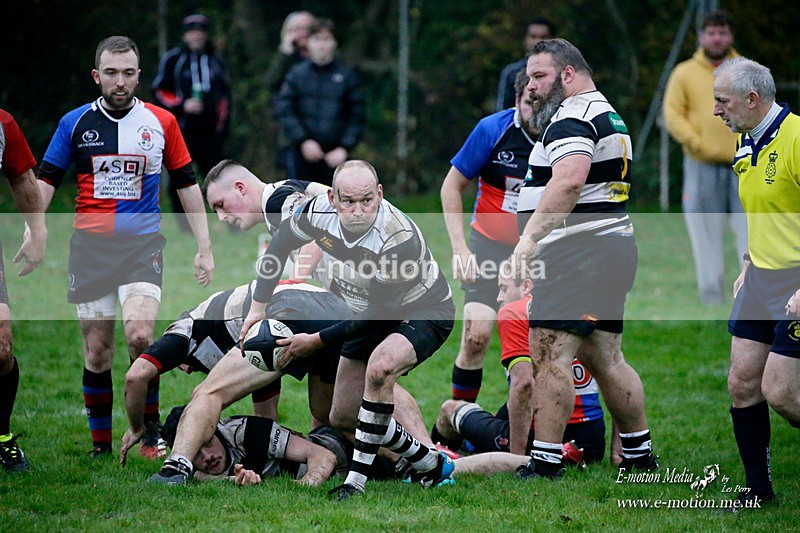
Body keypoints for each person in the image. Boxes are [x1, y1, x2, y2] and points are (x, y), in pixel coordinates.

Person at [36, 35, 215, 457]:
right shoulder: (74, 123)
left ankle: (148, 432)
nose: (120, 82)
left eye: (128, 73)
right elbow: (45, 179)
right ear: (97, 76)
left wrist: (204, 245)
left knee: (139, 336)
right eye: (112, 73)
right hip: (90, 251)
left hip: (141, 248)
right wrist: (33, 232)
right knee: (97, 352)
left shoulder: (161, 122)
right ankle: (101, 447)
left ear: (139, 75)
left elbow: (188, 184)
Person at [239, 160, 456, 500]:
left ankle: (355, 482)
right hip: (367, 310)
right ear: (332, 198)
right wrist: (257, 306)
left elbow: (378, 316)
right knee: (340, 415)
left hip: (423, 310)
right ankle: (428, 460)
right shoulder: (317, 212)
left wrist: (314, 340)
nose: (358, 211)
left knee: (381, 367)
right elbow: (280, 244)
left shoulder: (398, 237)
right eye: (349, 201)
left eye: (367, 200)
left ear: (380, 194)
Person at [513, 38, 657, 479]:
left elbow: (570, 181)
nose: (532, 87)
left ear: (568, 73)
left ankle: (545, 463)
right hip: (609, 248)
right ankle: (638, 455)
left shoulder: (574, 116)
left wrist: (528, 240)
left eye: (540, 76)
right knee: (605, 356)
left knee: (550, 353)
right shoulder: (604, 111)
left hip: (579, 254)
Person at [713, 57, 800, 510]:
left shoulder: (797, 139)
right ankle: (758, 491)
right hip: (761, 280)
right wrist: (749, 260)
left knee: (783, 393)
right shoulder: (745, 144)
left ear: (752, 99)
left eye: (722, 101)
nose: (715, 111)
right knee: (742, 382)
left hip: (796, 281)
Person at [432, 265, 606, 464]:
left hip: (539, 442)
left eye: (503, 288)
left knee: (449, 409)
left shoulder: (515, 312)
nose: (498, 297)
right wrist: (621, 447)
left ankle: (428, 463)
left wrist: (515, 457)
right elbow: (614, 377)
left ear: (527, 287)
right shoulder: (585, 307)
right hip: (590, 444)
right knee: (501, 413)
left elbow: (523, 385)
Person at [442, 71, 536, 404]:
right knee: (476, 337)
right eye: (529, 102)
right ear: (516, 101)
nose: (535, 110)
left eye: (543, 103)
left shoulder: (563, 137)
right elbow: (451, 186)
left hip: (538, 253)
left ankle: (527, 427)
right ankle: (459, 420)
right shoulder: (492, 130)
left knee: (536, 345)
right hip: (488, 246)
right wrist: (459, 249)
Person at [158, 405, 533, 486]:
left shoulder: (242, 431)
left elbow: (319, 453)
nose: (207, 457)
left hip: (345, 447)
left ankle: (535, 462)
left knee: (441, 470)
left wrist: (309, 484)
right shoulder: (189, 473)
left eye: (205, 444)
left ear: (214, 428)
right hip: (350, 464)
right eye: (194, 455)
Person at [120, 282, 282, 462]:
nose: (188, 371)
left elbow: (135, 377)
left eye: (178, 366)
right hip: (281, 300)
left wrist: (136, 428)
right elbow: (267, 419)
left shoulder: (185, 331)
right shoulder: (246, 347)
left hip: (273, 303)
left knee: (206, 396)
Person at [662, 10, 747, 305]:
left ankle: (750, 295)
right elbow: (673, 114)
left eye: (722, 32)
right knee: (705, 234)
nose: (717, 37)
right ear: (701, 37)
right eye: (711, 32)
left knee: (750, 232)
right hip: (701, 165)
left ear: (730, 36)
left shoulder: (746, 71)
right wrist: (696, 142)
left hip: (745, 165)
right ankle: (712, 298)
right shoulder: (684, 72)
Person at [152, 14, 232, 231]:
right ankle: (185, 225)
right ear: (185, 34)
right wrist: (181, 105)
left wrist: (222, 126)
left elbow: (225, 97)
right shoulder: (173, 60)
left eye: (201, 31)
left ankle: (227, 219)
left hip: (211, 133)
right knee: (181, 177)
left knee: (218, 177)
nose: (197, 35)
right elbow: (159, 91)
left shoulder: (216, 61)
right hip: (182, 130)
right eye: (192, 31)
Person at [0, 109, 47, 471]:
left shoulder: (3, 123)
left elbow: (22, 179)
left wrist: (38, 232)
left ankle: (0, 436)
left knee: (1, 350)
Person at [273, 19, 365, 185]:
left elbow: (357, 115)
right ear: (308, 43)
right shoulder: (296, 74)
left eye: (326, 39)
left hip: (335, 156)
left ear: (334, 43)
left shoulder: (347, 77)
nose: (321, 45)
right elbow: (285, 109)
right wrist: (303, 141)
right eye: (317, 39)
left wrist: (344, 148)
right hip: (302, 153)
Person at [265, 11, 317, 174]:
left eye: (307, 28)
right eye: (297, 29)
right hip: (291, 135)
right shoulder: (287, 60)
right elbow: (270, 82)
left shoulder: (324, 59)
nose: (303, 33)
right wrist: (285, 53)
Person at [495, 17, 555, 112]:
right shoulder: (512, 73)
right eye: (533, 36)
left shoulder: (562, 71)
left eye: (543, 37)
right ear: (525, 39)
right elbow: (503, 111)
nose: (538, 41)